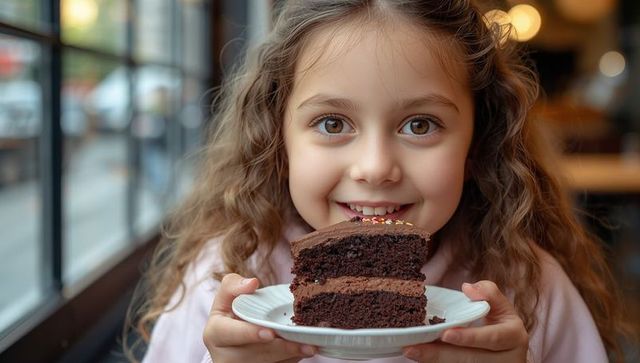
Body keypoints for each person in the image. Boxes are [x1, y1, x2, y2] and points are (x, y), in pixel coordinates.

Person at [126, 1, 633, 362]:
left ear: (479, 145)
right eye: (332, 123)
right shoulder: (226, 280)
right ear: (277, 141)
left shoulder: (529, 288)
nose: (374, 167)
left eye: (420, 124)